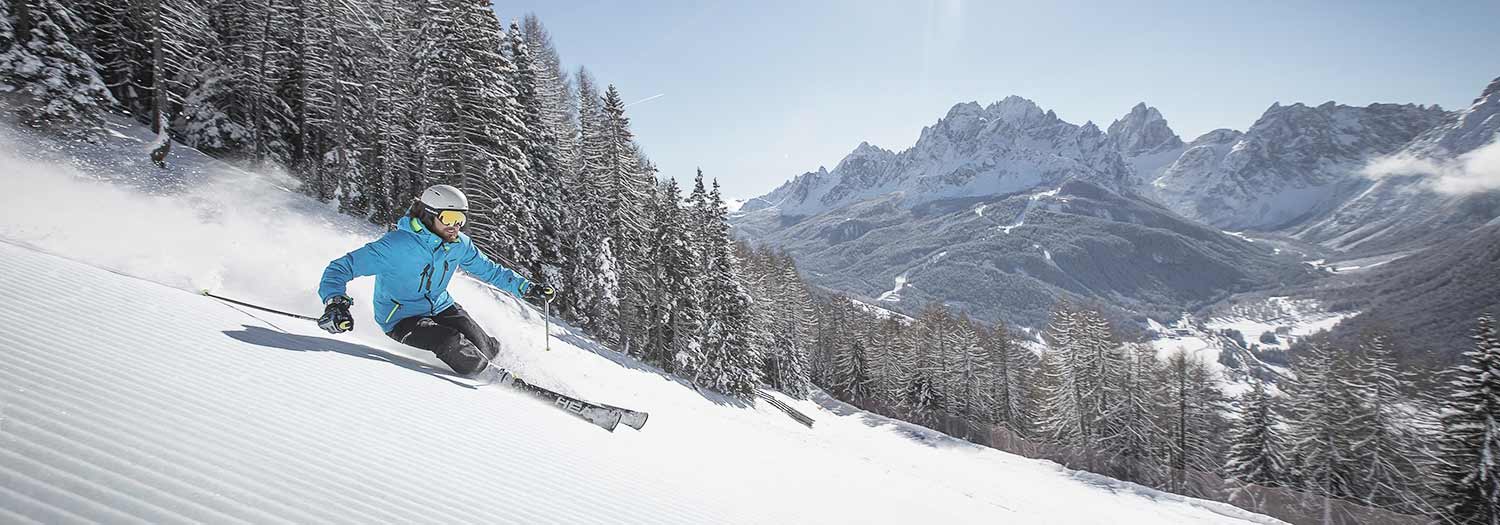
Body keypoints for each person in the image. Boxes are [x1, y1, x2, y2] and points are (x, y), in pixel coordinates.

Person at [316, 184, 553, 381]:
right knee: (449, 341)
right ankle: (493, 380)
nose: (456, 226)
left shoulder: (460, 244)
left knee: (485, 346)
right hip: (400, 318)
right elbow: (340, 268)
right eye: (449, 218)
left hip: (440, 305)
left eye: (460, 219)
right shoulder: (396, 245)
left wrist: (526, 287)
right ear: (429, 215)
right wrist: (336, 302)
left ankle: (516, 373)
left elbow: (490, 271)